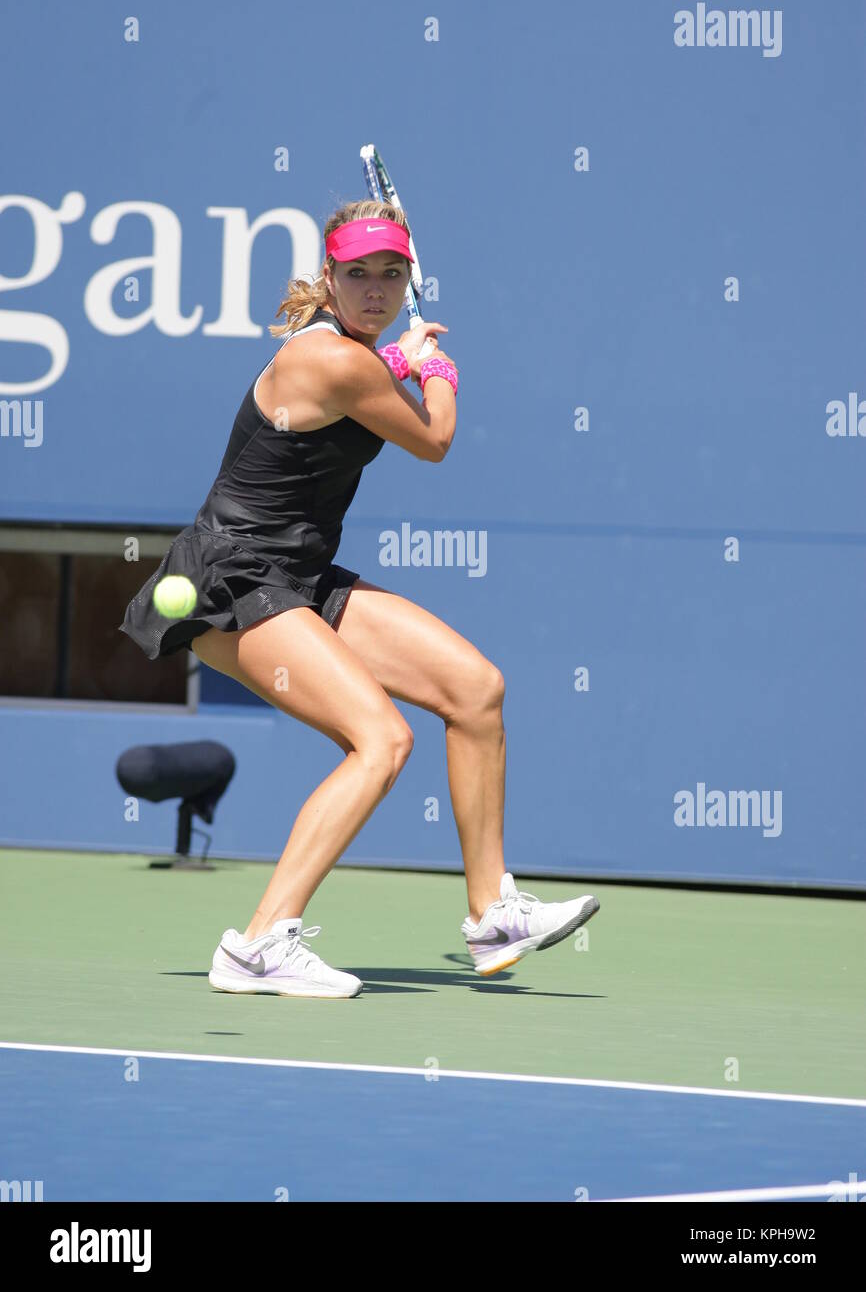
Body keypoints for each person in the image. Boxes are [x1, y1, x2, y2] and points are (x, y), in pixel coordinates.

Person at [119, 200, 600, 998]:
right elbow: (434, 439)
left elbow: (371, 391)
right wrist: (435, 374)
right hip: (233, 582)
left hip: (299, 575)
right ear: (329, 278)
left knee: (475, 691)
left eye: (392, 274)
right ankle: (260, 943)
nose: (376, 290)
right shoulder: (337, 361)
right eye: (358, 275)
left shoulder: (357, 357)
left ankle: (494, 914)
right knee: (381, 740)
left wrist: (399, 365)